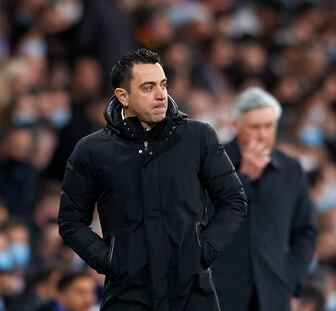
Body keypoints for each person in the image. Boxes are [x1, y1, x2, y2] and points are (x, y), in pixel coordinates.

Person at [57, 48, 247, 311]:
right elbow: (71, 222)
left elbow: (233, 201)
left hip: (192, 292)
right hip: (127, 295)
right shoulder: (92, 150)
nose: (161, 95)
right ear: (122, 96)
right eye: (148, 87)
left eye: (163, 84)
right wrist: (111, 261)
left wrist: (201, 252)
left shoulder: (198, 137)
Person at [213, 87, 317, 311]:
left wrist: (292, 279)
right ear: (236, 126)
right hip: (221, 294)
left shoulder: (291, 170)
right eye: (254, 127)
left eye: (269, 126)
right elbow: (206, 216)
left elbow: (305, 231)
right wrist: (244, 178)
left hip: (274, 294)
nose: (262, 134)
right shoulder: (212, 162)